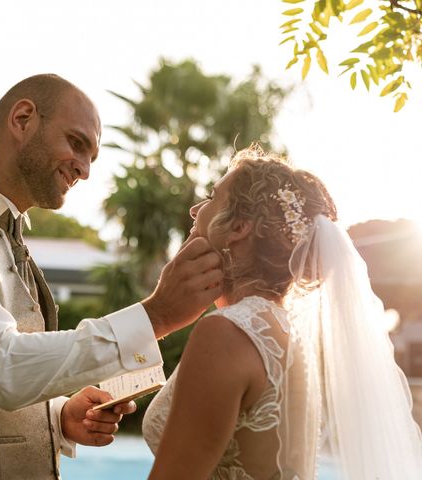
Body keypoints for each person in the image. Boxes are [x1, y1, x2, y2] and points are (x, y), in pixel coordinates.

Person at [0, 74, 223, 479]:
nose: (84, 170)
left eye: (91, 156)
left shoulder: (10, 237)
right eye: (77, 143)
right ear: (22, 119)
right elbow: (3, 367)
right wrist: (156, 316)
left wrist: (60, 416)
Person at [142, 145, 422, 479]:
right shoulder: (289, 335)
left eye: (211, 197)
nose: (194, 209)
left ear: (239, 227)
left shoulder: (228, 332)